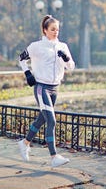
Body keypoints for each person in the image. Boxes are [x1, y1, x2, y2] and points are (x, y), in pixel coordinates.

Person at [18, 15, 75, 167]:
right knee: (51, 120)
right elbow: (21, 58)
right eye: (52, 29)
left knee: (42, 119)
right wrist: (28, 73)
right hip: (41, 87)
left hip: (55, 88)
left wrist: (66, 58)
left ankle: (25, 143)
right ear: (45, 30)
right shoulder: (36, 46)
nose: (56, 32)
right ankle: (54, 156)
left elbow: (72, 67)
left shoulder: (62, 46)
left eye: (57, 29)